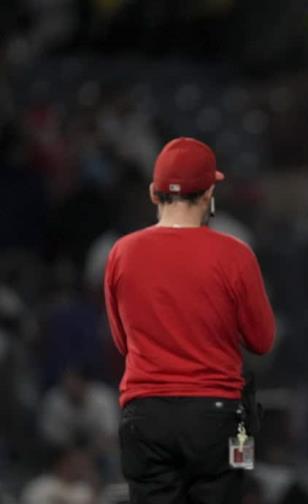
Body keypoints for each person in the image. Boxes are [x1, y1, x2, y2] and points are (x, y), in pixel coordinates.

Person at [103, 137, 276, 504]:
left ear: (154, 193)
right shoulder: (234, 254)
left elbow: (123, 343)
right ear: (209, 192)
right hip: (215, 416)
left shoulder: (121, 253)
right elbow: (262, 340)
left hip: (145, 414)